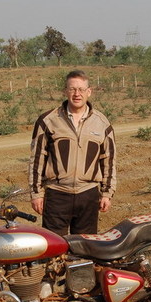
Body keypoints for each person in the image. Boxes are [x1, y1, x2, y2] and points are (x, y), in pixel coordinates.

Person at [28, 70, 116, 236]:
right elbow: (37, 160)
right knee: (54, 248)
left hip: (88, 194)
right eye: (72, 89)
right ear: (65, 91)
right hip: (57, 194)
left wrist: (107, 194)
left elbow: (109, 162)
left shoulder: (102, 123)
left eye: (81, 89)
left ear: (89, 92)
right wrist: (36, 194)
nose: (77, 94)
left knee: (86, 248)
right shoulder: (48, 121)